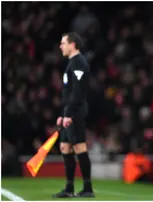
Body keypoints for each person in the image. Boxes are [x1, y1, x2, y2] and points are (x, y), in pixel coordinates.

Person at [53, 32, 94, 198]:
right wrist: (63, 114)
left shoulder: (78, 63)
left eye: (63, 43)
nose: (60, 46)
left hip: (76, 112)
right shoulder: (72, 63)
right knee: (65, 147)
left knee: (79, 147)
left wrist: (69, 114)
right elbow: (69, 93)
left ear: (73, 44)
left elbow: (77, 92)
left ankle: (88, 188)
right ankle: (69, 188)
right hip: (69, 112)